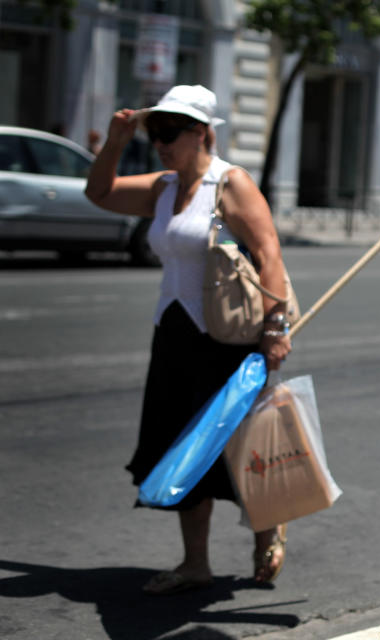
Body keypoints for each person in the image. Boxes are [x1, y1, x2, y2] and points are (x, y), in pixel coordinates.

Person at [84, 84, 293, 595]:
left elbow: (269, 255)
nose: (159, 141)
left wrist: (275, 330)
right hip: (173, 337)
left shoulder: (231, 184)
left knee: (241, 450)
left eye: (169, 131)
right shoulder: (164, 186)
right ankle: (194, 562)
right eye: (154, 132)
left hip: (225, 340)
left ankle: (267, 532)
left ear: (201, 132)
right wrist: (115, 142)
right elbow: (100, 193)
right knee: (185, 453)